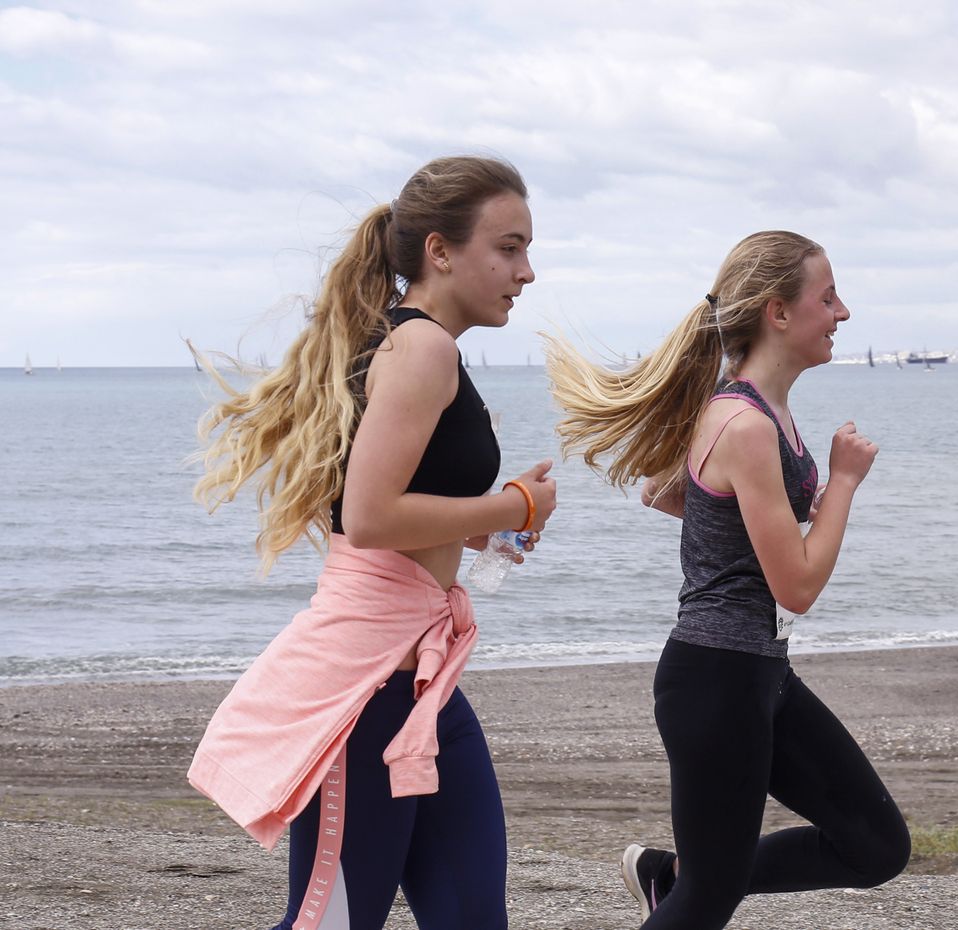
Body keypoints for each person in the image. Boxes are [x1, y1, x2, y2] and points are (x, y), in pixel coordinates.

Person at [186, 155, 556, 930]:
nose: (526, 271)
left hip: (421, 687)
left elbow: (376, 508)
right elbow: (372, 515)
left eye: (527, 250)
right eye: (509, 247)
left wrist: (491, 520)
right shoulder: (421, 349)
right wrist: (512, 500)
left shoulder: (403, 344)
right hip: (367, 693)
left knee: (473, 918)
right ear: (440, 250)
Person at [544, 230, 910, 929]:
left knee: (876, 846)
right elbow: (796, 586)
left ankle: (670, 875)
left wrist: (724, 512)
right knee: (712, 896)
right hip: (715, 679)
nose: (843, 313)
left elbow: (662, 491)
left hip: (760, 675)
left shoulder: (751, 409)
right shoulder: (742, 422)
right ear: (778, 312)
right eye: (827, 297)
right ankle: (683, 882)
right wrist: (841, 484)